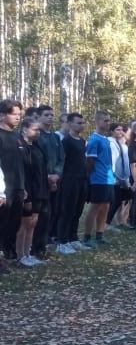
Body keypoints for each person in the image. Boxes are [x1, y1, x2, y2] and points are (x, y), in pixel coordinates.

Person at [31, 105, 63, 260]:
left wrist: (56, 174)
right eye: (46, 114)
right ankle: (33, 248)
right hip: (40, 181)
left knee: (49, 214)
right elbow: (36, 159)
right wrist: (48, 176)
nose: (50, 117)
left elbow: (61, 158)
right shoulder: (36, 136)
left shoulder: (55, 137)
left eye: (52, 114)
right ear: (38, 116)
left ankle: (42, 246)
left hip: (54, 181)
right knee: (38, 215)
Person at [55, 113, 89, 252]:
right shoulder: (66, 141)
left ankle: (72, 238)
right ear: (69, 123)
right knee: (67, 211)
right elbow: (62, 162)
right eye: (78, 123)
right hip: (69, 180)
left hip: (81, 180)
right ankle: (61, 242)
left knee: (77, 211)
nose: (81, 125)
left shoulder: (81, 141)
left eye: (82, 122)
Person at [16, 116, 46, 267]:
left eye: (39, 130)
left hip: (39, 189)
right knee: (24, 223)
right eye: (35, 129)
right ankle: (20, 255)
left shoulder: (37, 147)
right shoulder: (20, 147)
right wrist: (24, 191)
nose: (38, 133)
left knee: (33, 223)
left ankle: (28, 253)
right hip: (27, 190)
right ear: (24, 129)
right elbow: (21, 172)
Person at [83, 110, 114, 247]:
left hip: (108, 178)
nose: (108, 123)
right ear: (97, 121)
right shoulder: (94, 139)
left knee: (106, 207)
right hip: (98, 179)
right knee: (95, 207)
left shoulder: (106, 139)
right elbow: (89, 161)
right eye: (105, 120)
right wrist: (90, 176)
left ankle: (100, 235)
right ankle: (87, 237)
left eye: (109, 120)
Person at [0, 99, 25, 265]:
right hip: (4, 189)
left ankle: (10, 256)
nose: (17, 118)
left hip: (17, 188)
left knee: (14, 224)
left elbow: (20, 164)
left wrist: (23, 186)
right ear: (2, 115)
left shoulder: (17, 137)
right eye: (14, 114)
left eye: (19, 115)